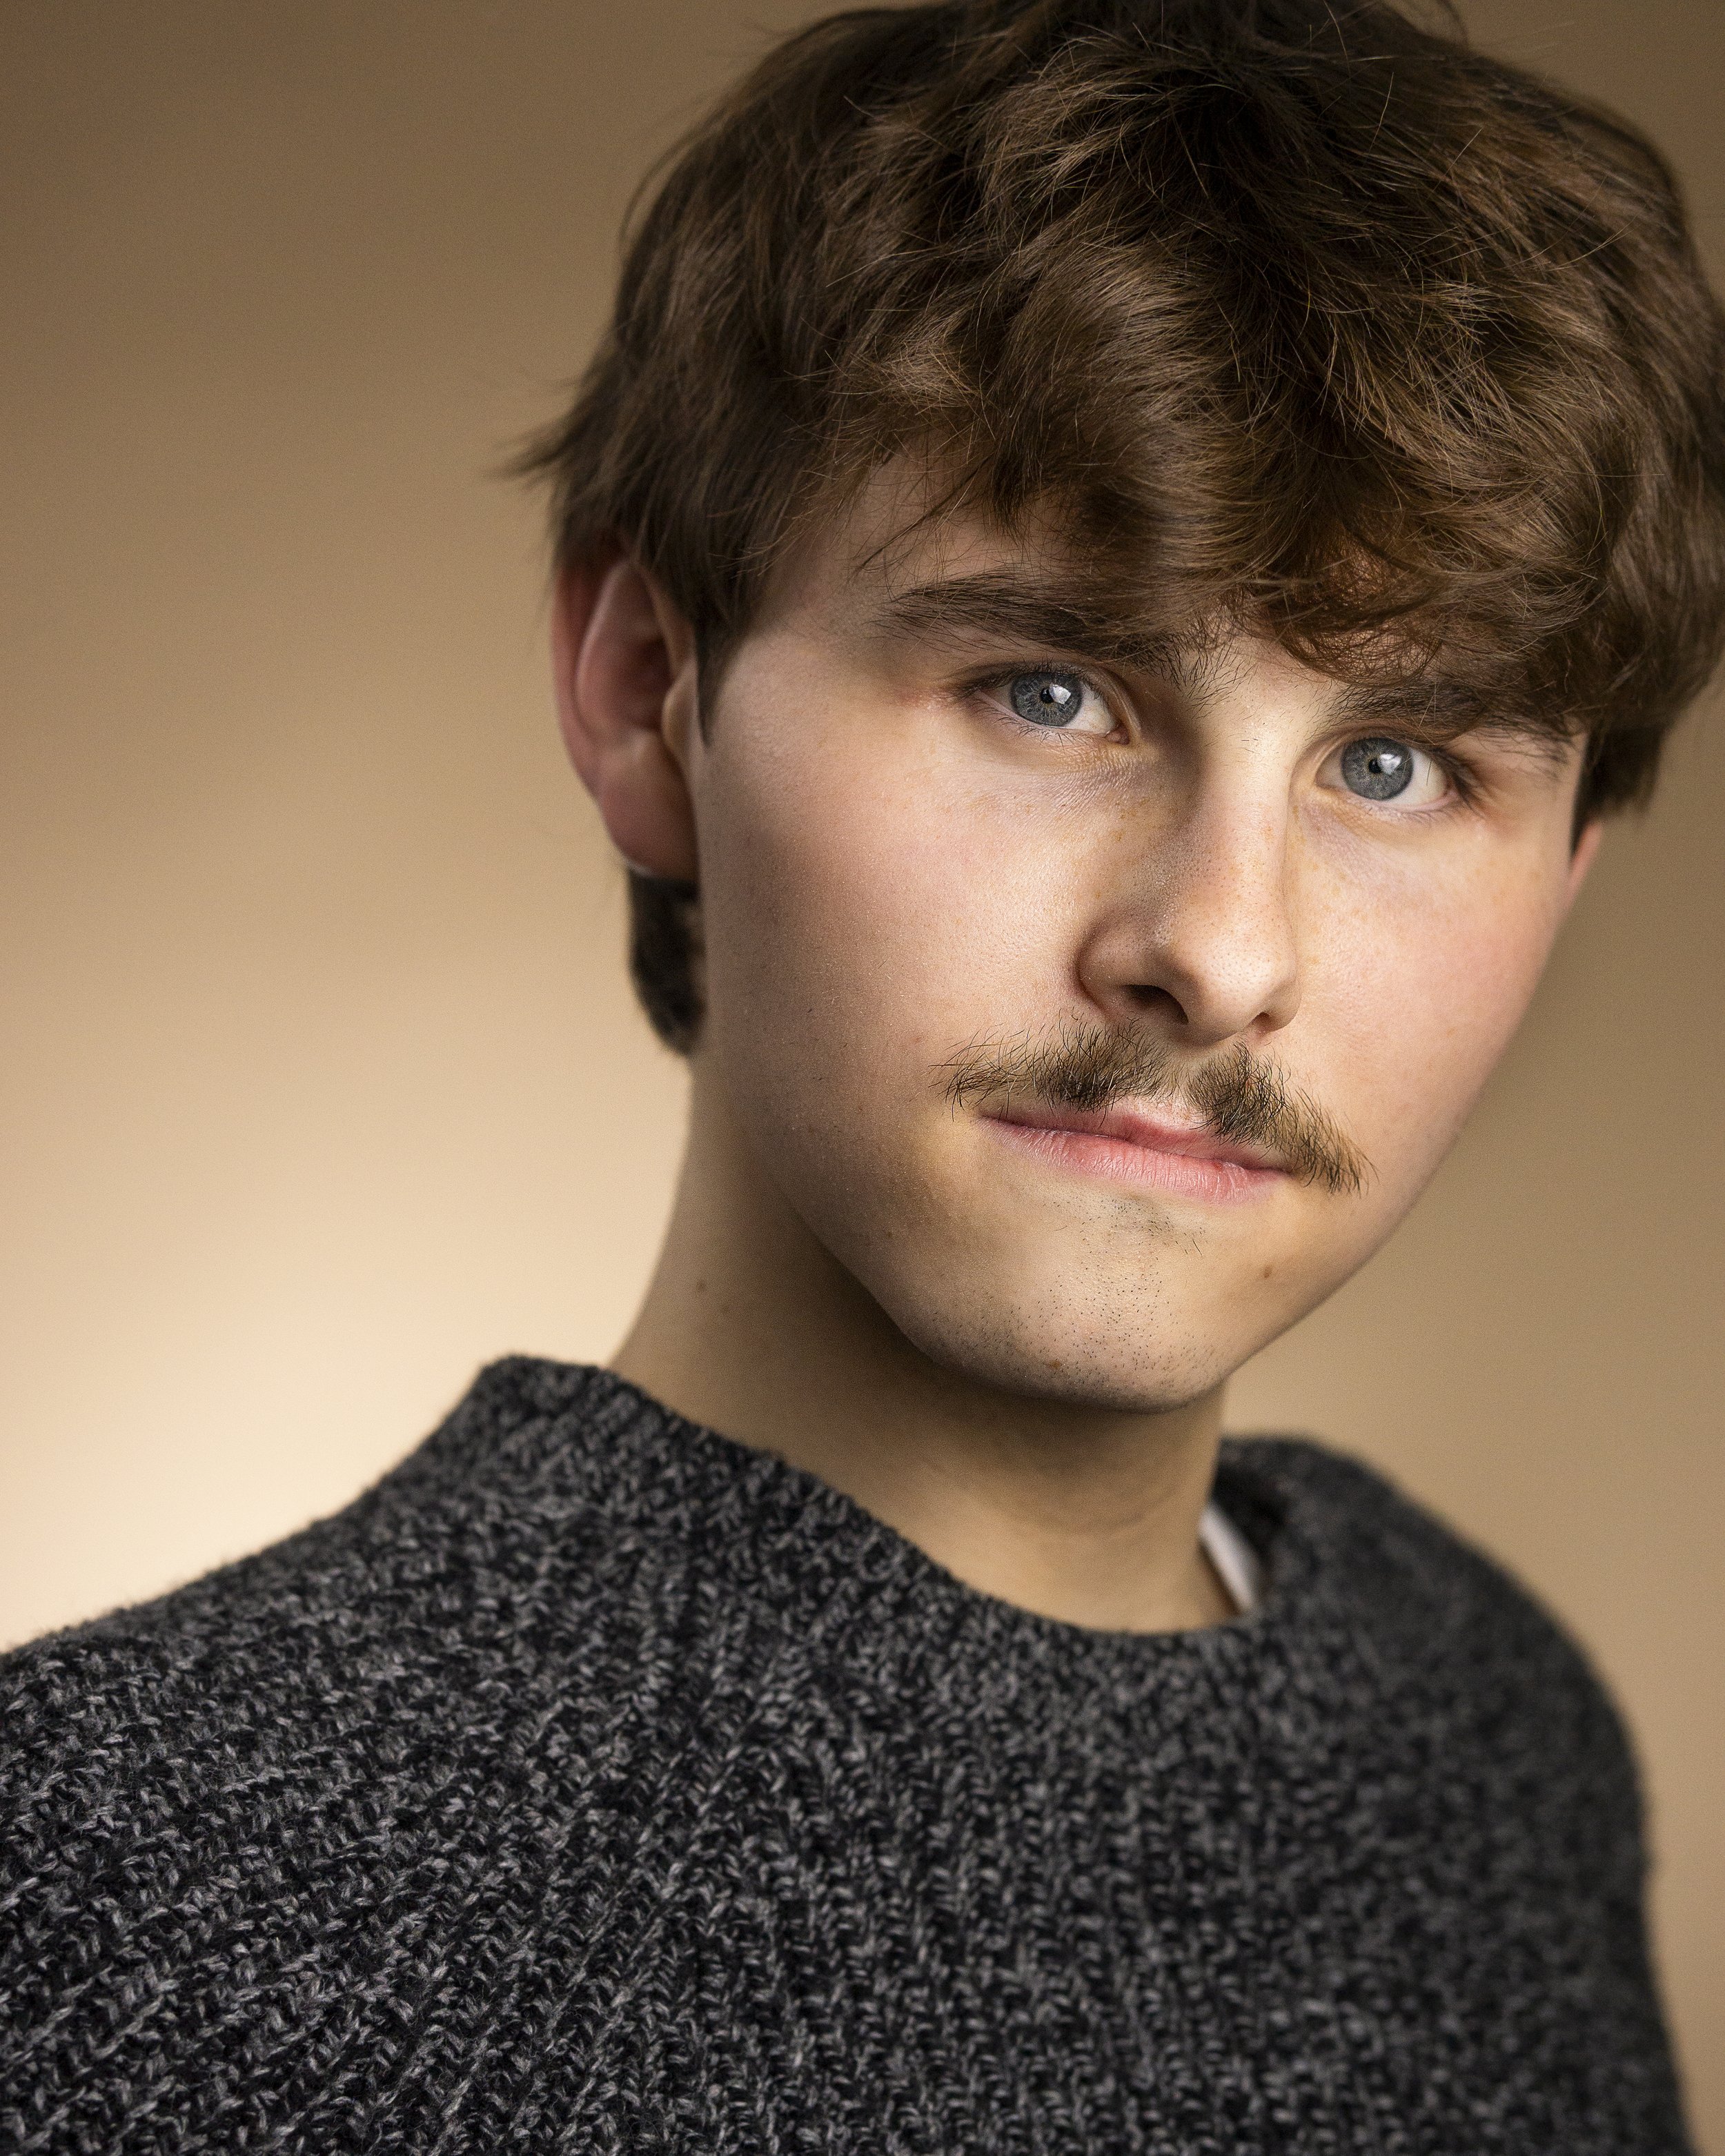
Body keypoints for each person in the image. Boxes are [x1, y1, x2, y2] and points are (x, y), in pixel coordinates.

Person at [3, 1, 1721, 2148]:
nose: (1219, 948)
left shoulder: (1490, 1733)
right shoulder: (112, 1880)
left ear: (1567, 867)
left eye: (1392, 765)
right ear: (648, 691)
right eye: (1046, 691)